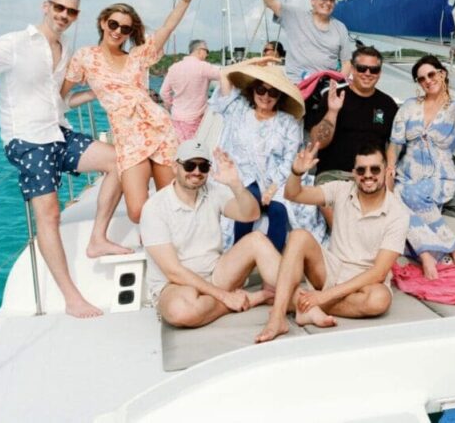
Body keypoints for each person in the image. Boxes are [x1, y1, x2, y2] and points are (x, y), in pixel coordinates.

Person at [0, 0, 130, 319]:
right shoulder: (16, 43)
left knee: (121, 159)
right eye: (59, 8)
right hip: (27, 139)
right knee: (49, 213)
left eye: (72, 11)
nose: (64, 15)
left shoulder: (65, 49)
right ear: (46, 6)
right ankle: (72, 298)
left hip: (57, 132)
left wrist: (95, 93)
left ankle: (97, 239)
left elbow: (61, 100)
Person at [61, 0, 208, 224]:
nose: (118, 31)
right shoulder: (85, 56)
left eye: (125, 28)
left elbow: (167, 28)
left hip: (159, 130)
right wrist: (94, 92)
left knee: (173, 200)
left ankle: (170, 248)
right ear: (103, 23)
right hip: (128, 139)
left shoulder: (138, 56)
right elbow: (62, 94)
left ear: (130, 32)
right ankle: (158, 237)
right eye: (113, 24)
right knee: (138, 211)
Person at [255, 140, 410, 343]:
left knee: (380, 300)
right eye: (361, 170)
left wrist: (323, 297)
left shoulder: (398, 213)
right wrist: (296, 172)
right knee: (299, 236)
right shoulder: (341, 189)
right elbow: (293, 194)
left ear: (385, 171)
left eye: (375, 169)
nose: (368, 175)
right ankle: (277, 318)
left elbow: (378, 272)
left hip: (365, 281)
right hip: (331, 268)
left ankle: (295, 302)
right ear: (354, 173)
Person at [142, 141, 281, 328]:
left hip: (216, 274)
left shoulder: (213, 192)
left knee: (256, 240)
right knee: (180, 312)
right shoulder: (155, 207)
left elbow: (251, 215)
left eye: (204, 166)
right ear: (175, 167)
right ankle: (246, 299)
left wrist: (235, 184)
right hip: (176, 285)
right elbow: (173, 271)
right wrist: (226, 297)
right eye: (190, 165)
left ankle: (297, 298)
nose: (197, 172)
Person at [208, 57, 325, 251]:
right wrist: (260, 61)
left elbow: (289, 159)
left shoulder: (288, 122)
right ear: (252, 90)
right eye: (261, 89)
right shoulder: (237, 109)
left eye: (273, 92)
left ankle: (273, 267)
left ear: (280, 96)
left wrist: (272, 188)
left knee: (279, 211)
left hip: (276, 180)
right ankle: (238, 263)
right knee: (247, 204)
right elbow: (224, 73)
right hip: (241, 177)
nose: (266, 96)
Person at [389, 54, 455, 280]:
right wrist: (390, 167)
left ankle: (437, 248)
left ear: (443, 73)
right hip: (406, 172)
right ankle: (433, 250)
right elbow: (395, 143)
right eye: (421, 79)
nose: (427, 80)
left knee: (405, 194)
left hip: (439, 176)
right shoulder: (410, 107)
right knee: (392, 200)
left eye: (431, 74)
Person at [307, 45, 399, 227]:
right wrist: (333, 111)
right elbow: (318, 142)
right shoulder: (334, 97)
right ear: (353, 70)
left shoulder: (387, 105)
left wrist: (389, 171)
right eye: (361, 68)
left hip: (371, 175)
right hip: (335, 175)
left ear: (379, 73)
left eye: (373, 69)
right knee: (341, 226)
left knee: (379, 221)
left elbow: (393, 144)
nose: (367, 73)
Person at [256, 0, 352, 82]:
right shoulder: (295, 16)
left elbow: (347, 63)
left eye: (331, 0)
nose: (328, 3)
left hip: (326, 85)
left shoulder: (340, 28)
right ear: (313, 0)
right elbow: (270, 2)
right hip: (297, 83)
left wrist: (337, 83)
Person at [160, 39, 221, 142]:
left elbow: (163, 92)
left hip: (176, 117)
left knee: (180, 151)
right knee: (194, 152)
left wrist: (171, 104)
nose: (207, 55)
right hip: (194, 119)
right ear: (200, 50)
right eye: (207, 51)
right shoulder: (203, 66)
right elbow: (223, 75)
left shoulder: (174, 67)